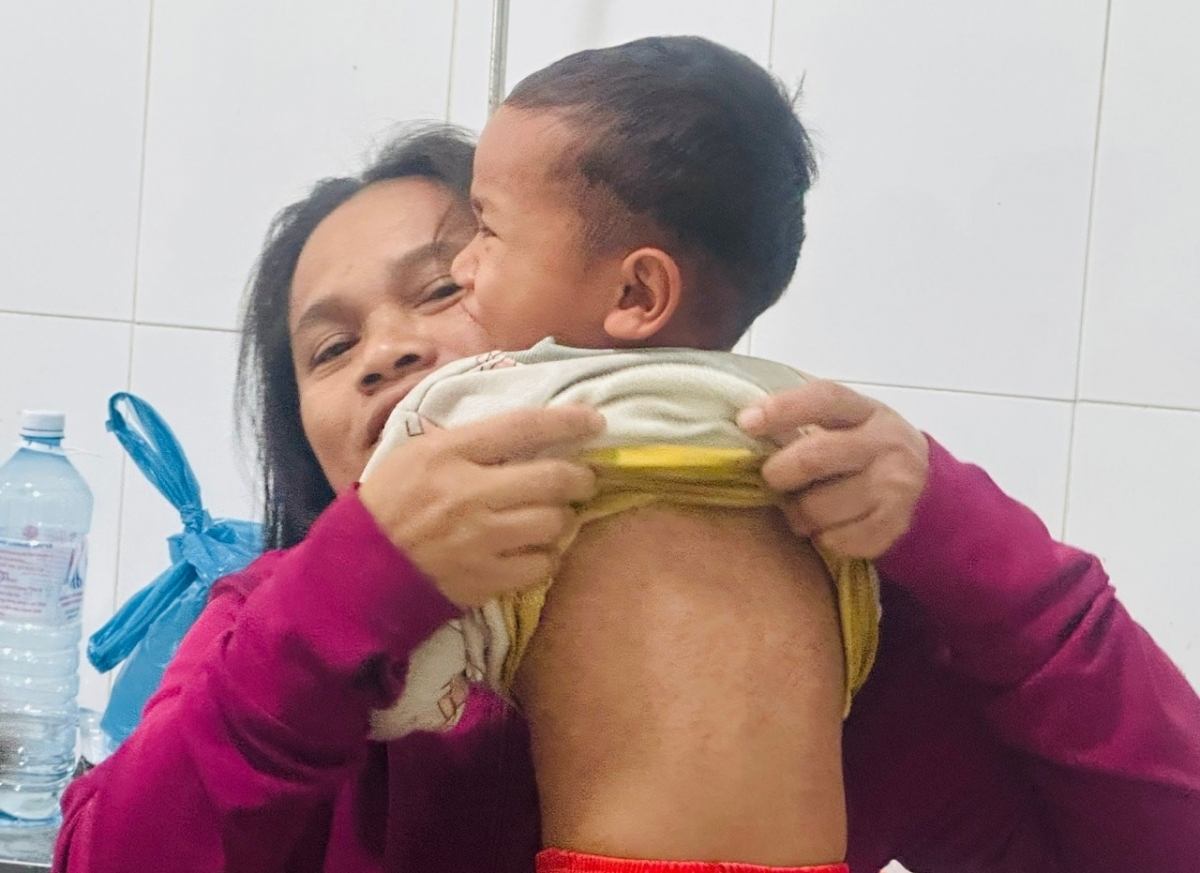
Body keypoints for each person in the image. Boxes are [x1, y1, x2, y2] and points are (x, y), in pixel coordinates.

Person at [55, 66, 1200, 873]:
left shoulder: (818, 631)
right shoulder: (273, 635)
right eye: (328, 349)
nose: (387, 353)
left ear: (623, 307)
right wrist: (346, 596)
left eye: (450, 279)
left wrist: (962, 535)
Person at [358, 37, 881, 873]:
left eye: (487, 229)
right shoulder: (810, 430)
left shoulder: (484, 408)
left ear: (636, 293)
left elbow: (393, 681)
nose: (464, 265)